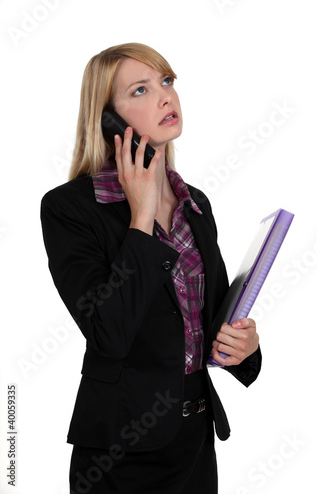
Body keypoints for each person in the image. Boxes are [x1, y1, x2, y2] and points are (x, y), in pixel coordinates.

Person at [40, 42, 261, 494]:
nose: (165, 97)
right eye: (140, 90)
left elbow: (211, 318)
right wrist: (140, 219)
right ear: (108, 119)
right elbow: (108, 334)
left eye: (166, 81)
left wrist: (245, 346)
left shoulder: (194, 203)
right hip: (121, 455)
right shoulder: (71, 209)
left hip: (196, 443)